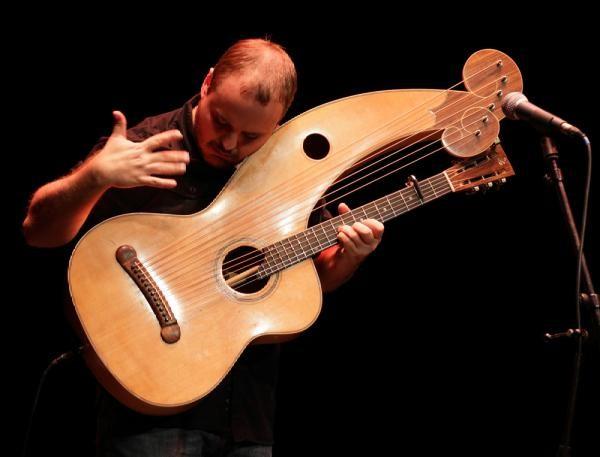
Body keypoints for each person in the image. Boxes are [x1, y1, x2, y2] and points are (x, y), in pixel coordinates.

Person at [23, 38, 384, 456]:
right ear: (208, 83)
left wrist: (347, 258)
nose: (230, 143)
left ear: (279, 121)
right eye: (221, 121)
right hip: (149, 414)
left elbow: (309, 278)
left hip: (246, 416)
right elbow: (38, 231)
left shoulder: (283, 167)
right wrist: (94, 177)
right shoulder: (147, 146)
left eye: (251, 135)